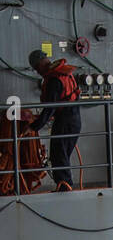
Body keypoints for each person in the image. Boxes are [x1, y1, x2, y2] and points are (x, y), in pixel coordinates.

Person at [28, 49, 81, 191]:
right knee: (62, 155)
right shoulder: (64, 74)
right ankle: (63, 186)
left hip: (65, 122)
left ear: (39, 64)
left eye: (36, 68)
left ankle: (65, 187)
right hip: (74, 120)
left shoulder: (53, 79)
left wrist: (34, 127)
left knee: (59, 155)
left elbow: (50, 107)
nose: (37, 72)